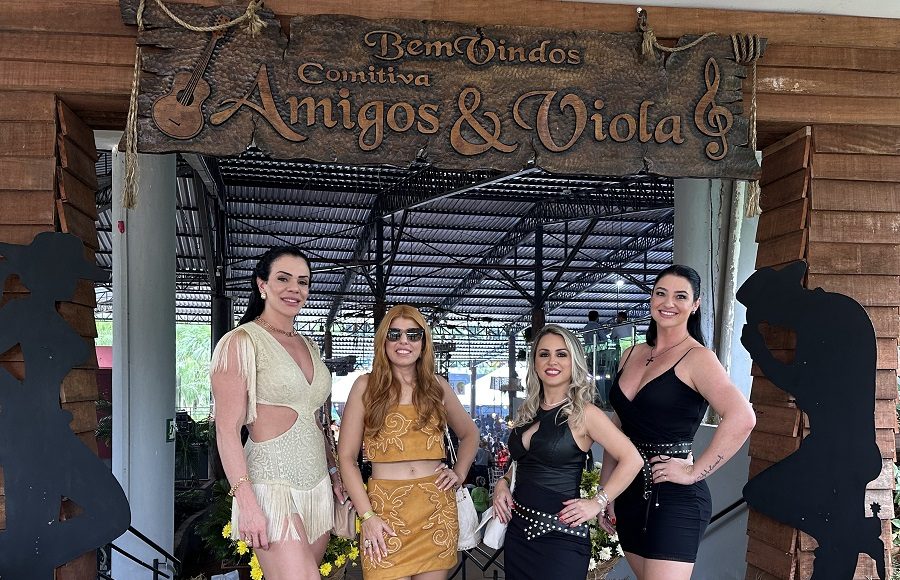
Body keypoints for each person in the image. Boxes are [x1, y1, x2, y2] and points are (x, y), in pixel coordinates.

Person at [602, 265, 756, 580]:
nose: (668, 303)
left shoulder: (698, 358)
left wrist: (693, 472)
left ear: (695, 304)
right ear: (651, 299)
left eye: (680, 296)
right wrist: (607, 491)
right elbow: (616, 428)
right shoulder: (631, 354)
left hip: (673, 497)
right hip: (629, 492)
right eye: (661, 293)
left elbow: (742, 417)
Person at [211, 247, 345, 580]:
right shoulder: (240, 342)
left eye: (303, 281)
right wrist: (246, 502)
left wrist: (333, 471)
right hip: (270, 485)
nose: (294, 289)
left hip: (317, 487)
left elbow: (315, 420)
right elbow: (226, 429)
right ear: (262, 285)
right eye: (283, 279)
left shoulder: (308, 344)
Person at [338, 305, 479, 580]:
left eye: (413, 335)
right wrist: (367, 516)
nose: (404, 341)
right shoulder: (365, 386)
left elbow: (470, 434)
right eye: (395, 334)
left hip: (436, 512)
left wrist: (459, 473)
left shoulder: (437, 386)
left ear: (424, 342)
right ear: (383, 341)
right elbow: (346, 457)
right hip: (384, 514)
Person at [492, 324, 643, 580]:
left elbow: (633, 459)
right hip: (518, 535)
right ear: (535, 362)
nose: (552, 361)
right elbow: (522, 462)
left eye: (561, 354)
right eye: (544, 354)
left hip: (561, 539)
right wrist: (503, 483)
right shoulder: (527, 411)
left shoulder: (585, 413)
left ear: (574, 361)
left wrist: (598, 502)